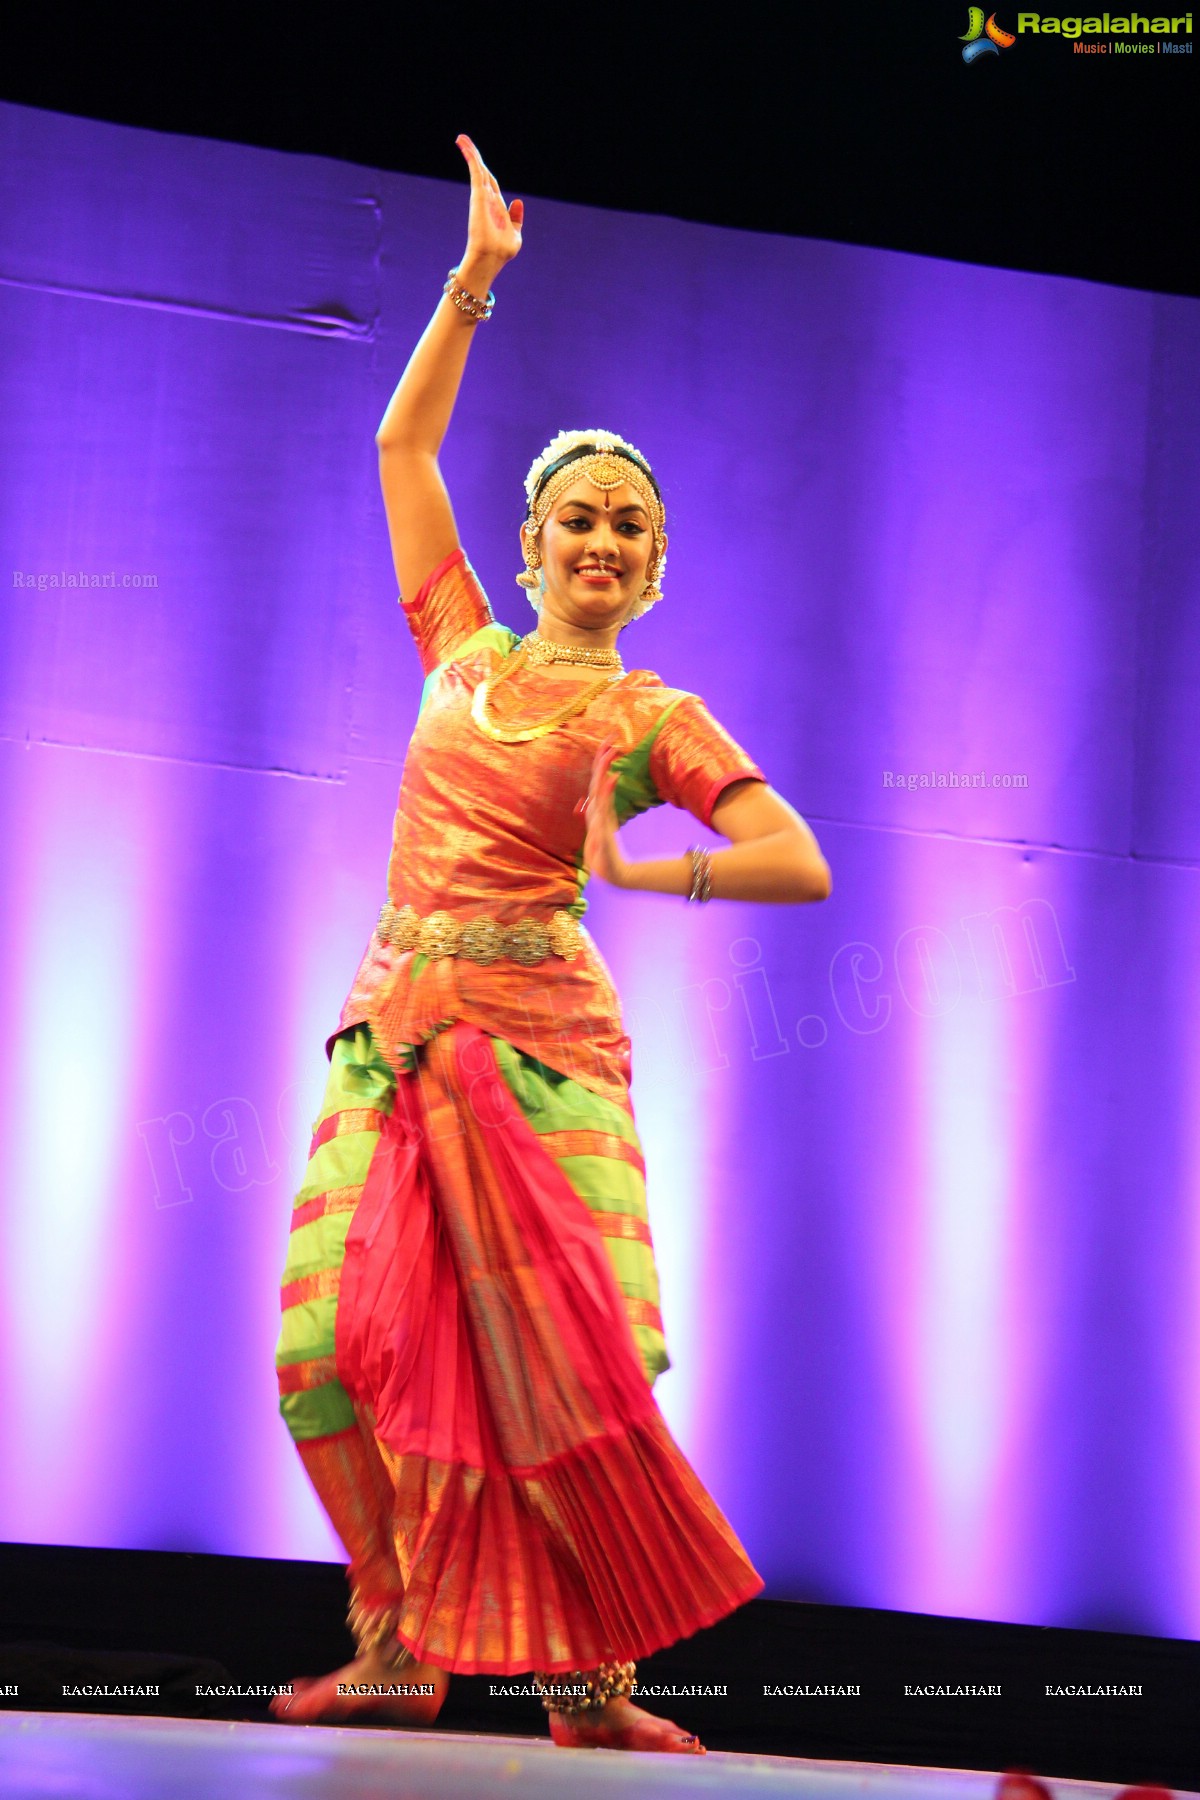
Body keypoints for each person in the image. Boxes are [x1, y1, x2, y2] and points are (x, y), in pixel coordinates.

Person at [270, 135, 832, 1756]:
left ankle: (590, 1684)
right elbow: (401, 442)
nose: (602, 542)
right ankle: (395, 1638)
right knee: (326, 1354)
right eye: (579, 518)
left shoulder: (650, 711)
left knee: (562, 1366)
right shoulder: (456, 649)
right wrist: (471, 287)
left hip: (542, 1043)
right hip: (393, 1026)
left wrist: (643, 880)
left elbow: (792, 859)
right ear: (527, 545)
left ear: (653, 574)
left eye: (631, 532)